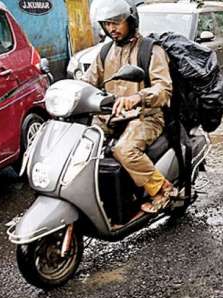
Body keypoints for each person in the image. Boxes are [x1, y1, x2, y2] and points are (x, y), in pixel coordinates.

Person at [82, 0, 175, 214]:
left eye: (116, 22)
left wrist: (139, 97)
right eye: (106, 24)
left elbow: (164, 88)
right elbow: (88, 82)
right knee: (80, 145)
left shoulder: (150, 50)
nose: (111, 29)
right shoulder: (105, 52)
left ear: (130, 20)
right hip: (110, 116)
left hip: (146, 116)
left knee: (124, 150)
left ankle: (162, 190)